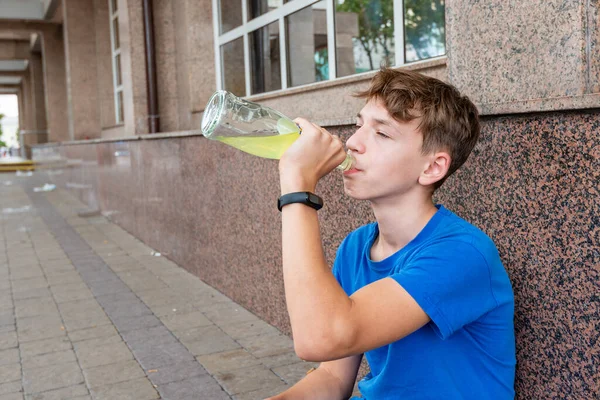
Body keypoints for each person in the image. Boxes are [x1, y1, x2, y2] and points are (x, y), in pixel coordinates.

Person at [270, 68, 516, 399]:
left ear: (431, 167)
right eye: (359, 126)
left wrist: (298, 186)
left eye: (382, 134)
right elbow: (331, 375)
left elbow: (320, 337)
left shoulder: (463, 253)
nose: (353, 143)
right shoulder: (357, 246)